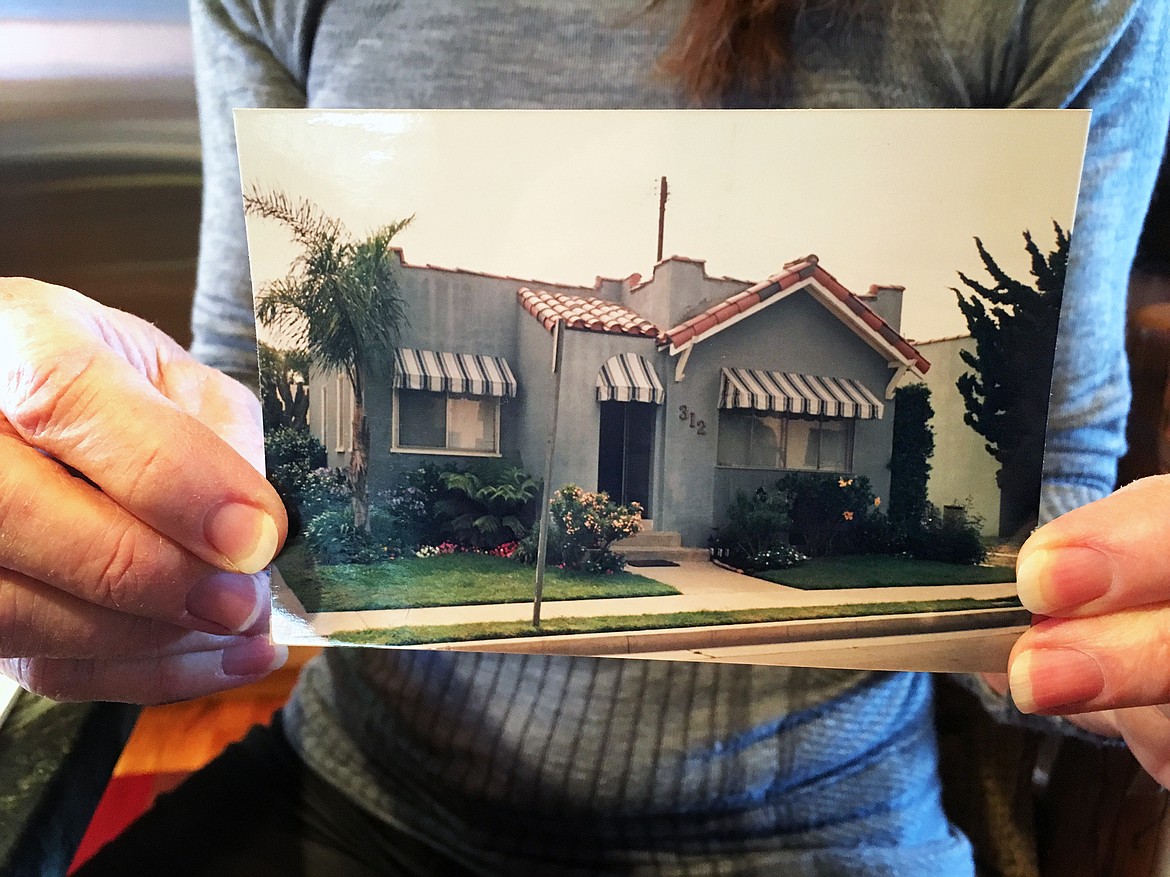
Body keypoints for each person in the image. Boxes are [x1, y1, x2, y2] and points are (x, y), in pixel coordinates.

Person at [3, 0, 1168, 873]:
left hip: (821, 835)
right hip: (363, 793)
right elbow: (243, 383)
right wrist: (103, 452)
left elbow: (1050, 524)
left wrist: (1117, 641)